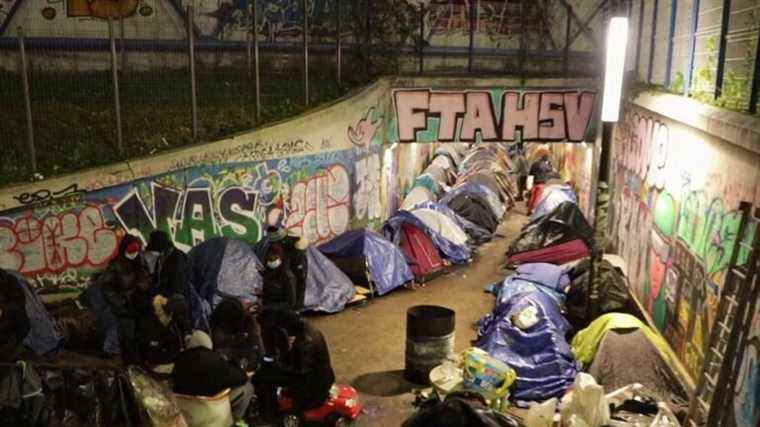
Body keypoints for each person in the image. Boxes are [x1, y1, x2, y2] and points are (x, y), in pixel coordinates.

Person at [253, 309, 335, 422]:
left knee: (263, 377)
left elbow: (298, 372)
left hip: (312, 390)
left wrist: (275, 365)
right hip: (320, 379)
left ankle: (269, 414)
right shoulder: (308, 329)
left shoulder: (305, 343)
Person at [173, 331, 254, 421]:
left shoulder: (180, 359)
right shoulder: (216, 361)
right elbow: (241, 378)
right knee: (248, 388)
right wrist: (236, 366)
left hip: (185, 410)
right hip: (208, 412)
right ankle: (233, 420)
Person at [210, 297, 264, 373]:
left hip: (239, 353)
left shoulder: (248, 323)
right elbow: (219, 344)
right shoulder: (219, 327)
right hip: (230, 355)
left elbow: (258, 355)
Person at [144, 230, 187, 298]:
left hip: (175, 301)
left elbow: (178, 287)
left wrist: (153, 289)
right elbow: (157, 278)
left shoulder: (177, 258)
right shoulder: (161, 257)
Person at [260, 242, 298, 310]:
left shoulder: (287, 277)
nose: (271, 260)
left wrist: (267, 307)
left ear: (280, 258)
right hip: (267, 307)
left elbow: (290, 303)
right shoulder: (266, 271)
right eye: (269, 258)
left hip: (280, 311)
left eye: (274, 257)